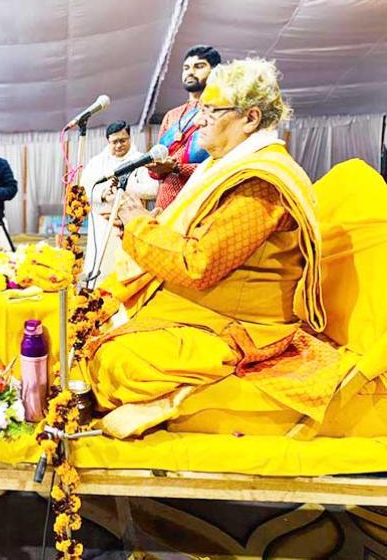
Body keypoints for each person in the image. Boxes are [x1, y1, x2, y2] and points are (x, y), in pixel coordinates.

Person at [87, 58, 327, 439]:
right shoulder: (221, 166)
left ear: (249, 118)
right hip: (199, 309)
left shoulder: (260, 183)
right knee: (92, 324)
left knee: (118, 362)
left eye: (211, 111)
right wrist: (137, 227)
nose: (198, 121)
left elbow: (198, 264)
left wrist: (139, 225)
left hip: (239, 325)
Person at [79, 121, 157, 281]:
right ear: (108, 142)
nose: (119, 145)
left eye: (123, 140)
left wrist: (125, 189)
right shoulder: (96, 162)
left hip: (130, 223)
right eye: (115, 141)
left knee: (127, 268)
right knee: (101, 266)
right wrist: (104, 194)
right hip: (101, 225)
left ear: (130, 138)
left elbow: (153, 189)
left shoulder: (141, 160)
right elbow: (84, 189)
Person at [148, 45, 222, 210]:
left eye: (199, 66)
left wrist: (176, 167)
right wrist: (154, 168)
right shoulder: (171, 116)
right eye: (186, 68)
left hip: (199, 205)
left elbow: (221, 167)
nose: (190, 72)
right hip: (164, 206)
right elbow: (156, 171)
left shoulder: (221, 113)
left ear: (216, 71)